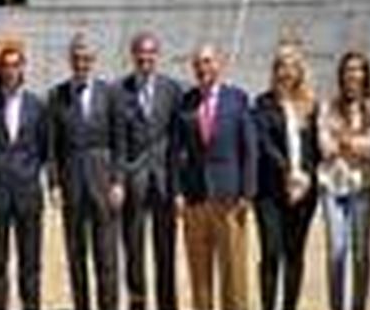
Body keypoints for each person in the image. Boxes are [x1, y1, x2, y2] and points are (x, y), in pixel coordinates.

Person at [172, 44, 257, 310]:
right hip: (195, 198)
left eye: (207, 62)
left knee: (233, 271)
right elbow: (175, 152)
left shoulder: (237, 98)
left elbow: (249, 148)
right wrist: (177, 192)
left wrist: (247, 192)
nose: (202, 68)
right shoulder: (186, 102)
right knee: (200, 274)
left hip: (229, 197)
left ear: (219, 64)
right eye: (197, 63)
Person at [47, 33, 122, 310]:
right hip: (72, 184)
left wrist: (118, 180)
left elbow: (119, 141)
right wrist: (54, 184)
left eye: (86, 58)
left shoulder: (110, 93)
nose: (82, 63)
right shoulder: (57, 95)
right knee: (76, 255)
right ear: (70, 60)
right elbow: (52, 147)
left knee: (107, 256)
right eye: (77, 58)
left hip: (103, 181)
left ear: (94, 61)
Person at [0, 43, 49, 310]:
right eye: (6, 65)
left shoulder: (37, 105)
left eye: (16, 65)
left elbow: (43, 148)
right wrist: (0, 167)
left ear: (22, 69)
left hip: (28, 192)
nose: (10, 70)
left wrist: (26, 171)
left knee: (30, 261)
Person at [114, 32, 183, 310]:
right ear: (133, 55)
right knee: (133, 248)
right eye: (141, 53)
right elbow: (118, 141)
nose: (146, 58)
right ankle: (137, 303)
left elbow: (177, 143)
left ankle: (168, 304)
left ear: (158, 55)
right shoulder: (120, 91)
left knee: (165, 249)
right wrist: (119, 179)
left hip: (164, 180)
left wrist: (178, 189)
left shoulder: (171, 89)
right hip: (134, 180)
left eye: (151, 53)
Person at [253, 41, 321, 310]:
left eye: (293, 66)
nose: (287, 71)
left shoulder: (311, 104)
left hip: (305, 190)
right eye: (282, 65)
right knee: (271, 252)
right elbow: (264, 143)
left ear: (300, 71)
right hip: (270, 190)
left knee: (295, 254)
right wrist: (289, 172)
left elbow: (316, 146)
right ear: (275, 70)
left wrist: (306, 177)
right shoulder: (263, 102)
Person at [318, 51, 370, 310]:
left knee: (361, 253)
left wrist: (343, 139)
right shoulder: (327, 106)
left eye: (358, 69)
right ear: (341, 75)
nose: (353, 75)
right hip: (332, 186)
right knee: (336, 252)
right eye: (348, 70)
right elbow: (325, 148)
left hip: (363, 186)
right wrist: (357, 141)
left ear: (366, 75)